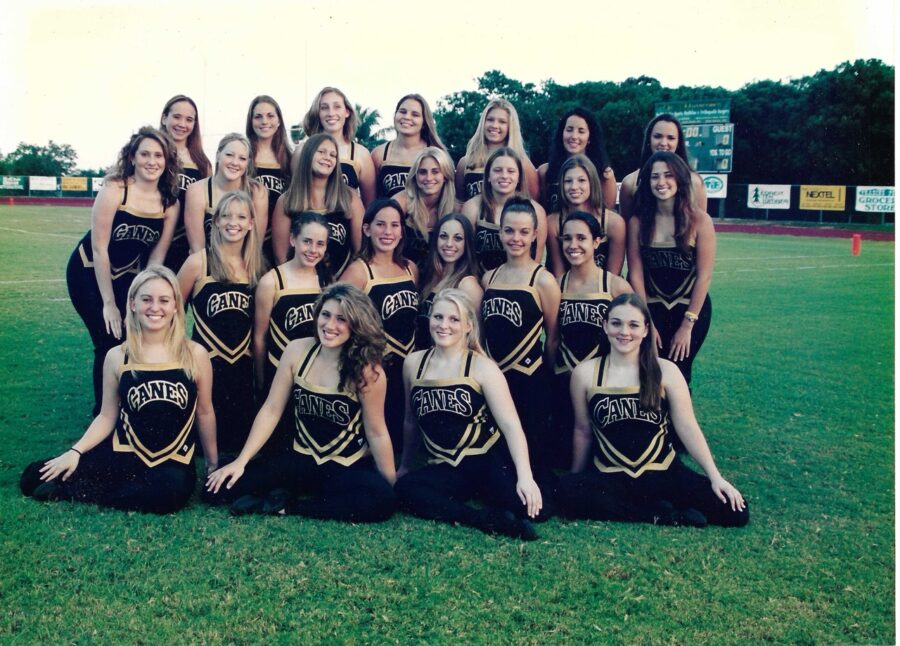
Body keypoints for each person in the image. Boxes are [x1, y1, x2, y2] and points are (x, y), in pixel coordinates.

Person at [21, 267, 218, 514]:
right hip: (126, 452)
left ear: (176, 306)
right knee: (33, 477)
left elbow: (205, 411)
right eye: (146, 299)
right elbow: (106, 416)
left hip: (173, 460)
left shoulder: (194, 353)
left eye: (164, 300)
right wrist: (75, 451)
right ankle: (88, 485)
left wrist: (212, 463)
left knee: (170, 492)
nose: (155, 307)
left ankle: (73, 492)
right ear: (133, 303)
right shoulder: (117, 356)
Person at [205, 283, 396, 522]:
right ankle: (284, 494)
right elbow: (272, 409)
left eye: (341, 319)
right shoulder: (297, 350)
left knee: (382, 501)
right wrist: (241, 462)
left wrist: (390, 482)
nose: (330, 325)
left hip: (344, 465)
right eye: (325, 315)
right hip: (300, 457)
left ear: (356, 325)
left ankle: (292, 507)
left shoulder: (368, 370)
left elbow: (377, 432)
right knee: (215, 490)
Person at [558, 293, 748, 528]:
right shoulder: (585, 373)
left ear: (646, 330)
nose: (624, 332)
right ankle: (661, 515)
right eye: (616, 323)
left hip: (662, 471)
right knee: (566, 492)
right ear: (605, 326)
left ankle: (653, 506)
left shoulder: (666, 371)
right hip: (611, 473)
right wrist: (577, 477)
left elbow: (687, 426)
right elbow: (583, 430)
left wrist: (715, 477)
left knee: (736, 511)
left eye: (633, 325)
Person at [396, 288, 543, 539]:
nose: (444, 325)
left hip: (485, 460)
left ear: (468, 326)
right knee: (406, 489)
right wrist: (405, 466)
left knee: (529, 507)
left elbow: (510, 425)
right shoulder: (413, 363)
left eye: (454, 319)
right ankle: (481, 519)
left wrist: (525, 477)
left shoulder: (482, 367)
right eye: (438, 317)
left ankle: (516, 491)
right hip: (445, 465)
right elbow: (411, 421)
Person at [66, 126, 179, 416]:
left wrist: (149, 295)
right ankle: (103, 416)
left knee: (132, 339)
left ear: (166, 161)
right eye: (144, 154)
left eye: (158, 155)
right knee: (107, 340)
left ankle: (129, 410)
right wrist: (108, 304)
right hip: (88, 270)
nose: (151, 161)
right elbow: (99, 248)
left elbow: (157, 257)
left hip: (129, 276)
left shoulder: (169, 201)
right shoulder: (116, 188)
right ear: (132, 157)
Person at [480, 197, 559, 487]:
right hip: (496, 378)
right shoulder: (490, 278)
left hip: (530, 380)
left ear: (535, 234)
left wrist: (545, 380)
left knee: (532, 453)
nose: (516, 238)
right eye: (510, 231)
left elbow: (552, 338)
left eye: (524, 232)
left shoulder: (543, 280)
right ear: (500, 232)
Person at [178, 191, 264, 455]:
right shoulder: (198, 262)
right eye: (225, 216)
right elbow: (173, 311)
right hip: (205, 363)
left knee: (236, 441)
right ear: (215, 221)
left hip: (242, 365)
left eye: (240, 217)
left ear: (251, 223)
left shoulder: (257, 267)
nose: (232, 222)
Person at [626, 151, 715, 386]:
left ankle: (679, 423)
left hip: (690, 311)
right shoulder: (637, 222)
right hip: (651, 309)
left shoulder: (700, 220)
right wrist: (646, 322)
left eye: (668, 175)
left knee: (680, 372)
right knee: (649, 370)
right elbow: (635, 273)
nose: (661, 182)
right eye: (655, 177)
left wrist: (687, 326)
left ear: (680, 179)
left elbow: (704, 276)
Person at [550, 212, 632, 468]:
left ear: (597, 242)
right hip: (565, 381)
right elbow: (551, 339)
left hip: (603, 386)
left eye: (581, 238)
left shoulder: (616, 287)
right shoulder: (554, 285)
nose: (573, 245)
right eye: (567, 238)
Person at [341, 198, 419, 448]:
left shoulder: (410, 268)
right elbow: (340, 316)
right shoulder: (360, 271)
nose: (388, 232)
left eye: (395, 225)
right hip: (377, 365)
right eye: (381, 224)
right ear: (366, 229)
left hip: (407, 362)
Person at [253, 212, 330, 453]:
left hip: (314, 376)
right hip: (280, 371)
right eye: (307, 241)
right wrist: (261, 378)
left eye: (320, 244)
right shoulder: (272, 281)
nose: (313, 249)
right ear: (293, 240)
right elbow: (259, 337)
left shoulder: (326, 280)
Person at [272, 133, 364, 276]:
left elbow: (361, 251)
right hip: (300, 285)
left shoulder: (349, 197)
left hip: (342, 285)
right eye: (321, 152)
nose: (327, 157)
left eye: (333, 155)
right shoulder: (287, 200)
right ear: (308, 155)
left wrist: (343, 286)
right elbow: (281, 257)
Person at [461, 147, 547, 272]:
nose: (504, 176)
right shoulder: (472, 208)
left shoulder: (536, 211)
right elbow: (467, 259)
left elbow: (536, 260)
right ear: (488, 176)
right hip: (479, 282)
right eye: (497, 170)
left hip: (521, 282)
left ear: (519, 177)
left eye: (511, 171)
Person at [183, 133, 268, 253]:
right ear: (218, 155)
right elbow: (198, 249)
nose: (235, 163)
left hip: (244, 265)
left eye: (242, 158)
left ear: (248, 163)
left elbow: (255, 247)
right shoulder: (197, 191)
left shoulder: (257, 193)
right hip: (206, 264)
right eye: (229, 155)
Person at [546, 155, 626, 277]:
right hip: (565, 289)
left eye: (581, 180)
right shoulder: (553, 222)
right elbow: (559, 274)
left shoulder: (613, 223)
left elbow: (613, 276)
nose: (574, 187)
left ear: (592, 182)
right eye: (568, 181)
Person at [618, 113, 708, 220]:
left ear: (678, 142)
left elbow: (701, 224)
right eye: (657, 136)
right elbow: (626, 227)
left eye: (671, 138)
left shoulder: (694, 182)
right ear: (648, 140)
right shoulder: (630, 183)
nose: (663, 143)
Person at [297, 86, 377, 205]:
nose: (331, 113)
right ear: (317, 113)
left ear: (347, 112)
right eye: (324, 108)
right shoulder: (301, 151)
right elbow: (294, 196)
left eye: (337, 107)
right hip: (309, 221)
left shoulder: (361, 154)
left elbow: (370, 205)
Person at [159, 95, 212, 273]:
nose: (182, 124)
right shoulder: (153, 156)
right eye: (177, 117)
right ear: (164, 117)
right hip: (153, 242)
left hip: (185, 246)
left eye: (189, 120)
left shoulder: (202, 164)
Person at [415, 213, 483, 350]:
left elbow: (476, 339)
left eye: (458, 238)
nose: (449, 244)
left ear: (467, 243)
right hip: (423, 361)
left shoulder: (467, 285)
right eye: (443, 236)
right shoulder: (430, 277)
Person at [455, 99, 539, 201]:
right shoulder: (465, 163)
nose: (494, 125)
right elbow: (460, 203)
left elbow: (533, 204)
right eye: (490, 120)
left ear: (510, 127)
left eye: (502, 122)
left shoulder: (523, 163)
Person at [538, 107, 617, 213]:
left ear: (590, 138)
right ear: (562, 133)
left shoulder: (605, 174)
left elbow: (607, 215)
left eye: (581, 131)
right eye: (569, 130)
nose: (574, 136)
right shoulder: (545, 172)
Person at [246, 95, 293, 265]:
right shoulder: (243, 156)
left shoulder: (290, 158)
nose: (264, 121)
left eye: (270, 116)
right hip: (250, 237)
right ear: (251, 122)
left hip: (283, 238)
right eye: (258, 117)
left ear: (279, 121)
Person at [371, 94, 447, 199]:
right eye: (402, 112)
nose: (407, 117)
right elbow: (371, 200)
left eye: (415, 114)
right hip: (388, 214)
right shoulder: (379, 154)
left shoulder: (437, 154)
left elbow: (449, 195)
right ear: (395, 115)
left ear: (424, 122)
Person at [393, 147, 459, 267]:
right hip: (403, 273)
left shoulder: (457, 210)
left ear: (445, 175)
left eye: (435, 172)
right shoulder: (400, 203)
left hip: (439, 277)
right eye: (422, 172)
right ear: (415, 176)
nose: (428, 178)